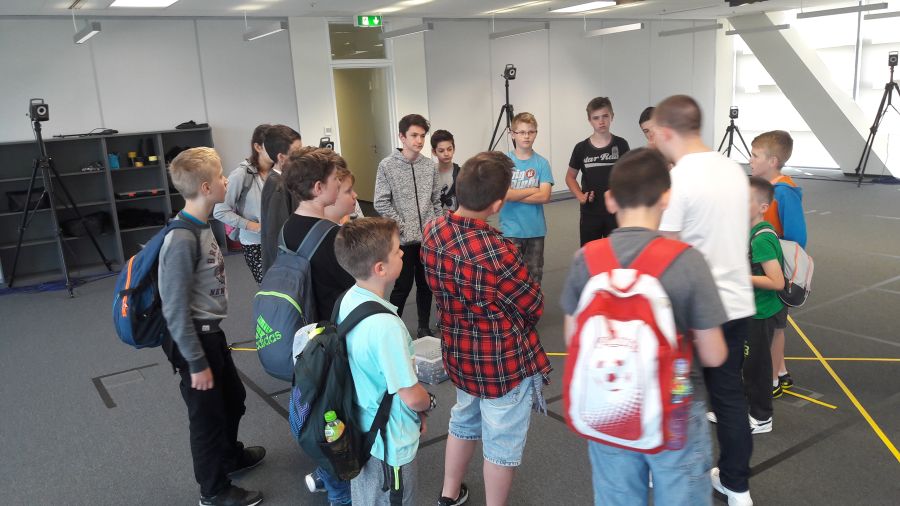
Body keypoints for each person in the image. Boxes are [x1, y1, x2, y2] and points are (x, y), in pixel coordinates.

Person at [560, 147, 728, 506]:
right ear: (666, 198)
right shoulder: (688, 261)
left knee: (617, 497)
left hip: (610, 406)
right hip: (676, 408)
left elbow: (573, 338)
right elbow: (714, 354)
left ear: (610, 200)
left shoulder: (585, 259)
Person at [422, 151, 551, 506]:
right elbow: (533, 305)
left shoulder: (433, 230)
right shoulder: (498, 251)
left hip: (459, 352)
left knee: (463, 419)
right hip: (501, 363)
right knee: (501, 443)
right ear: (497, 205)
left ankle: (449, 494)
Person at [652, 95, 756, 506]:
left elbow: (666, 251)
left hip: (695, 310)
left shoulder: (679, 180)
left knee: (677, 394)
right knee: (729, 396)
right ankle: (737, 487)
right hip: (738, 302)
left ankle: (665, 473)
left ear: (666, 132)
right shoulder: (733, 169)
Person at [159, 147, 265, 506]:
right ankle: (213, 490)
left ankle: (229, 457)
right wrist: (195, 362)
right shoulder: (181, 238)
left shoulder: (201, 227)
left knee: (233, 400)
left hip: (210, 333)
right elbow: (174, 309)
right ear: (206, 187)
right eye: (220, 177)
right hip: (193, 341)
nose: (225, 181)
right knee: (206, 418)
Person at [333, 217, 434, 506]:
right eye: (397, 250)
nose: (403, 253)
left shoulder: (348, 299)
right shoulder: (387, 326)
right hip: (390, 443)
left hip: (361, 428)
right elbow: (411, 396)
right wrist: (428, 403)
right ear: (380, 268)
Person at [281, 147, 356, 505]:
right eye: (335, 181)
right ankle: (339, 490)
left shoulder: (288, 226)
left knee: (320, 408)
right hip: (331, 340)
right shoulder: (331, 236)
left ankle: (326, 474)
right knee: (337, 417)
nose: (339, 186)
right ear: (318, 188)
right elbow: (354, 285)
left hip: (305, 336)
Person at [373, 114, 442, 338]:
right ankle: (392, 329)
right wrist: (402, 227)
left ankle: (423, 327)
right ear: (402, 137)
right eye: (414, 135)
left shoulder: (429, 166)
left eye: (422, 136)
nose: (419, 140)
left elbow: (436, 201)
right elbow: (381, 202)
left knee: (426, 285)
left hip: (428, 239)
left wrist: (437, 227)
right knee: (402, 287)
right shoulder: (387, 166)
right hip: (402, 240)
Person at [749, 130, 806, 397]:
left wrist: (768, 249)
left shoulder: (784, 192)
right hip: (767, 266)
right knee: (774, 326)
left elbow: (797, 238)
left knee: (775, 328)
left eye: (755, 155)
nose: (750, 160)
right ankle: (780, 371)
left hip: (776, 270)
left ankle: (771, 379)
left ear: (772, 161)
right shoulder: (767, 189)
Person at [744, 176, 785, 435]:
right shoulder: (749, 232)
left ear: (762, 207)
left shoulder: (760, 239)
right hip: (750, 309)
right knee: (744, 362)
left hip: (761, 313)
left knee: (757, 367)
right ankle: (741, 406)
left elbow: (777, 281)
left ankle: (761, 417)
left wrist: (739, 276)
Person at [566, 97, 631, 246]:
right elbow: (570, 177)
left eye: (605, 116)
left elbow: (629, 175)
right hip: (590, 212)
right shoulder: (581, 148)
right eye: (596, 118)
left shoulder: (621, 144)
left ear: (612, 116)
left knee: (615, 253)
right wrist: (580, 196)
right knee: (590, 253)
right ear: (590, 120)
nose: (601, 121)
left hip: (615, 211)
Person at [213, 124, 272, 284]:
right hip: (255, 243)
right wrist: (255, 227)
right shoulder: (241, 174)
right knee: (270, 289)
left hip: (279, 241)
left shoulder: (279, 172)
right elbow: (220, 211)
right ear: (258, 147)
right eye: (272, 145)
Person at [501, 112, 554, 284]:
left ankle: (533, 303)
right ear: (513, 134)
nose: (526, 136)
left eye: (531, 132)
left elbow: (545, 196)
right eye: (522, 132)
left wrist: (514, 194)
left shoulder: (542, 163)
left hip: (535, 230)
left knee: (534, 276)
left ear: (536, 133)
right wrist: (532, 189)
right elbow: (504, 194)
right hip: (511, 230)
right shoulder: (504, 162)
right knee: (511, 276)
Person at [259, 125, 302, 276]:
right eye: (296, 153)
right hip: (284, 268)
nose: (302, 157)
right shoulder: (276, 186)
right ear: (281, 158)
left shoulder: (285, 180)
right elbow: (277, 235)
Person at [431, 129, 461, 212]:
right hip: (435, 219)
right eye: (441, 151)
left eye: (449, 149)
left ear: (454, 149)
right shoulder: (429, 174)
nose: (446, 154)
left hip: (457, 218)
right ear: (434, 152)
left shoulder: (462, 174)